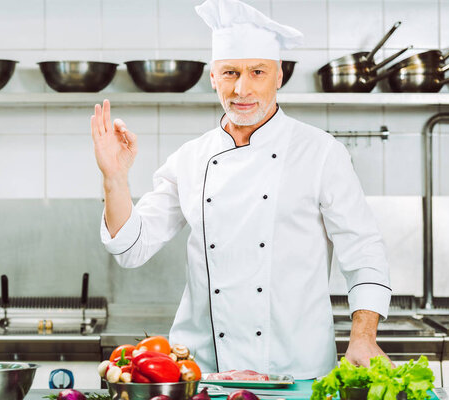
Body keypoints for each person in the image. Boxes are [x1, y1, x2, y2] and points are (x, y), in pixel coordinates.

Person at [91, 0, 392, 379]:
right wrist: (114, 178)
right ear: (213, 77)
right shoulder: (191, 157)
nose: (242, 89)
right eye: (230, 72)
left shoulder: (320, 153)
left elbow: (362, 250)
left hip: (295, 371)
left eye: (257, 72)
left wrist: (363, 334)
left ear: (279, 76)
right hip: (202, 373)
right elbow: (132, 247)